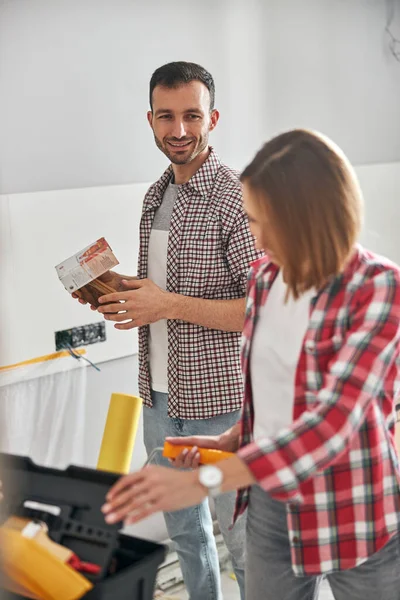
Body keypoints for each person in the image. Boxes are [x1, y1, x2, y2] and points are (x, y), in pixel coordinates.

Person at [102, 129, 400, 600]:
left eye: (266, 222)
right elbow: (274, 395)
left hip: (352, 507)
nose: (256, 236)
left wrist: (209, 478)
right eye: (251, 219)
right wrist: (227, 442)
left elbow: (332, 423)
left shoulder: (377, 287)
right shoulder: (264, 279)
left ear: (312, 217)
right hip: (270, 509)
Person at [87, 62, 261, 600]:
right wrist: (124, 296)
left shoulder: (235, 197)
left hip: (223, 401)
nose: (178, 130)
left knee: (244, 539)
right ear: (151, 120)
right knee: (186, 532)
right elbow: (163, 295)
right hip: (160, 397)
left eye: (191, 115)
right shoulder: (153, 197)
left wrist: (165, 304)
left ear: (212, 118)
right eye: (167, 116)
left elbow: (262, 306)